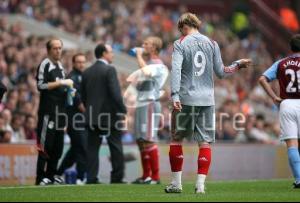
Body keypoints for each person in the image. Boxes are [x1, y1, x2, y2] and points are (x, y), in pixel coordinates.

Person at [166, 13, 251, 194]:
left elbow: (176, 70)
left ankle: (176, 184)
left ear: (183, 26)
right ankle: (200, 185)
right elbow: (221, 72)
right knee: (204, 142)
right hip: (207, 100)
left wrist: (174, 95)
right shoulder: (212, 43)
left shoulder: (180, 43)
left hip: (186, 98)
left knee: (176, 139)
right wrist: (237, 65)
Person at [259, 34, 300, 189]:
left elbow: (262, 79)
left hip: (287, 103)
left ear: (291, 47)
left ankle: (298, 179)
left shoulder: (281, 63)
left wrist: (274, 97)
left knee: (292, 143)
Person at [82, 44, 127, 184]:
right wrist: (122, 109)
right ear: (103, 54)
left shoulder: (86, 72)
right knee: (115, 146)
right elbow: (115, 93)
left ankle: (91, 177)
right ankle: (117, 177)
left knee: (92, 148)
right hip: (109, 116)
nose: (113, 55)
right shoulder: (110, 70)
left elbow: (83, 96)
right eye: (111, 52)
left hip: (91, 116)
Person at [35, 38, 74, 185]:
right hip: (48, 112)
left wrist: (69, 91)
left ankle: (51, 176)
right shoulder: (45, 64)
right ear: (49, 50)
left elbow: (62, 88)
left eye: (60, 48)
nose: (58, 51)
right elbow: (40, 86)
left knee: (58, 148)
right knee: (45, 146)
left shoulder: (60, 66)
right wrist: (61, 82)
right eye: (55, 48)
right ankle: (40, 178)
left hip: (60, 113)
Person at [131, 36, 168, 185]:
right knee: (141, 140)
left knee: (148, 139)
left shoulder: (158, 64)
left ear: (154, 48)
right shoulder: (149, 63)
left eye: (146, 44)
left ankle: (156, 177)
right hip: (141, 104)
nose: (142, 45)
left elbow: (146, 72)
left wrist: (139, 55)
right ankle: (146, 175)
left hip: (150, 104)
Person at [57, 53, 87, 185]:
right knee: (81, 148)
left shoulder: (82, 77)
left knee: (75, 150)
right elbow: (77, 101)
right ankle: (81, 177)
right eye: (79, 62)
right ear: (74, 63)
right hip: (74, 119)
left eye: (83, 62)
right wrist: (89, 114)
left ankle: (57, 174)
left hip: (79, 120)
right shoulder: (72, 78)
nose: (81, 64)